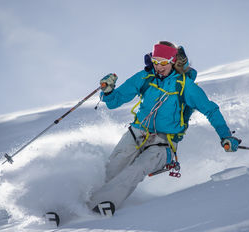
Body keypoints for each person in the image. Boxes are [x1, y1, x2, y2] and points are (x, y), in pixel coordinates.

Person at [86, 41, 239, 216]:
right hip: (137, 132)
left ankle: (101, 205)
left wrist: (225, 135)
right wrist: (108, 91)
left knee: (137, 168)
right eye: (156, 61)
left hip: (164, 142)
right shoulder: (146, 77)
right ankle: (81, 201)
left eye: (164, 62)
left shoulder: (185, 86)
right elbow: (114, 102)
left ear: (174, 61)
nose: (159, 66)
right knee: (113, 167)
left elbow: (210, 110)